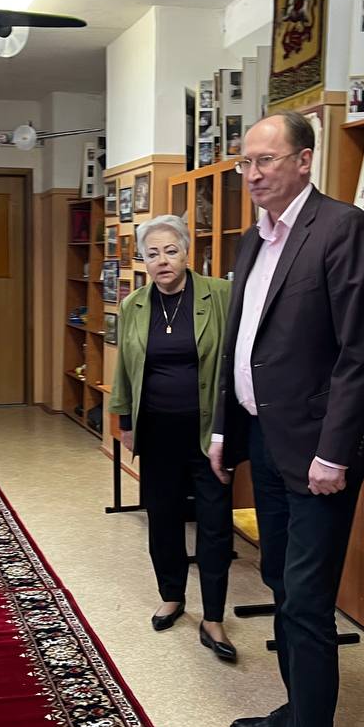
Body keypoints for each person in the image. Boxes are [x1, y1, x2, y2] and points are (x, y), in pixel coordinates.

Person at [208, 112, 364, 727]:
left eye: (266, 159)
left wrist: (333, 452)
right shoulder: (253, 238)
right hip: (265, 441)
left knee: (308, 601)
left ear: (305, 160)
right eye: (245, 162)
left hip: (320, 457)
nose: (252, 173)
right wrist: (224, 426)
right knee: (282, 584)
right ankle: (297, 708)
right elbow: (240, 342)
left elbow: (362, 351)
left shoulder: (343, 229)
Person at [109, 215, 236, 663]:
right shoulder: (134, 305)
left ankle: (214, 616)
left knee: (215, 523)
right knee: (162, 517)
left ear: (186, 252)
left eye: (170, 250)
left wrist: (234, 425)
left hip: (209, 435)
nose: (162, 260)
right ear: (143, 261)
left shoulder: (220, 294)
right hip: (157, 431)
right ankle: (172, 595)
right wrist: (126, 422)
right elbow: (125, 368)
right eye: (152, 254)